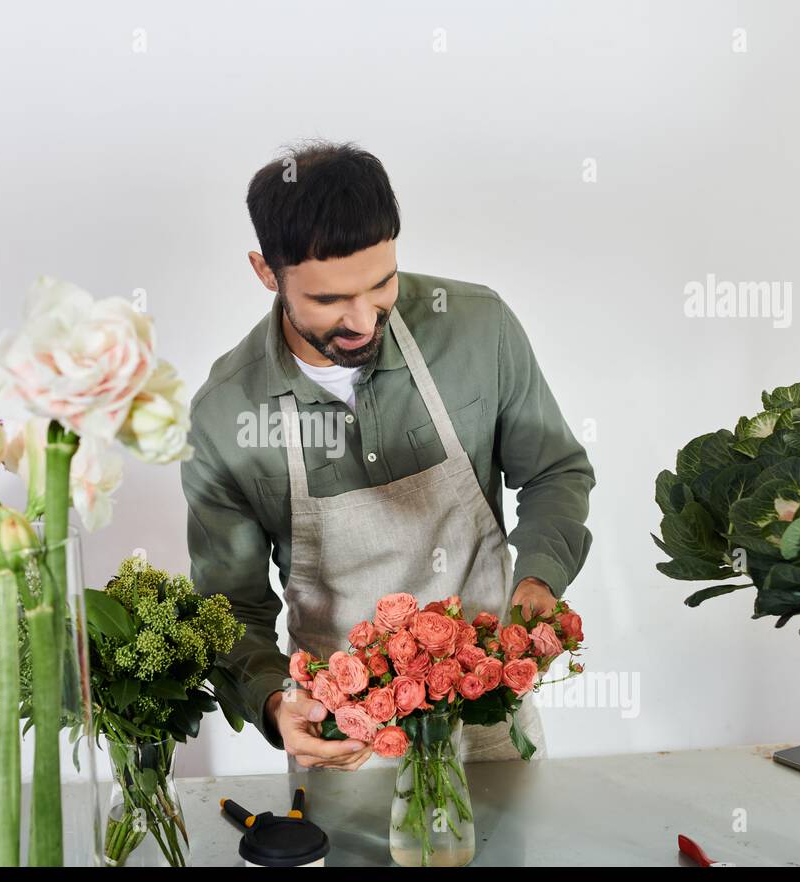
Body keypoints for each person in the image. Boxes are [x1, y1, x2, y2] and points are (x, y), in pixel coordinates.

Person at [181, 140, 594, 772]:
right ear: (267, 273)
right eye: (328, 300)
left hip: (492, 711)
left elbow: (554, 471)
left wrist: (539, 576)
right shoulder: (224, 414)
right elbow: (231, 607)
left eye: (381, 286)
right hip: (342, 740)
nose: (362, 321)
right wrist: (270, 703)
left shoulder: (477, 328)